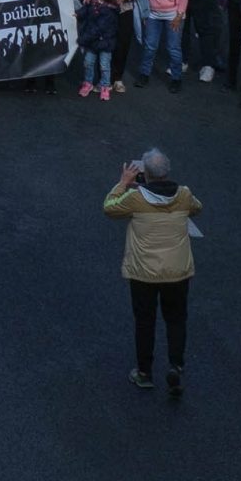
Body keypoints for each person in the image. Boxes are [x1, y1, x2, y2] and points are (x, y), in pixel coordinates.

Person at [103, 149, 199, 397]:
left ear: (145, 175)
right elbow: (196, 208)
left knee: (145, 322)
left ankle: (144, 373)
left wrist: (123, 183)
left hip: (143, 273)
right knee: (176, 320)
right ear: (167, 172)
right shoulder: (184, 195)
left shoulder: (135, 199)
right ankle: (176, 366)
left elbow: (109, 207)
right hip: (177, 272)